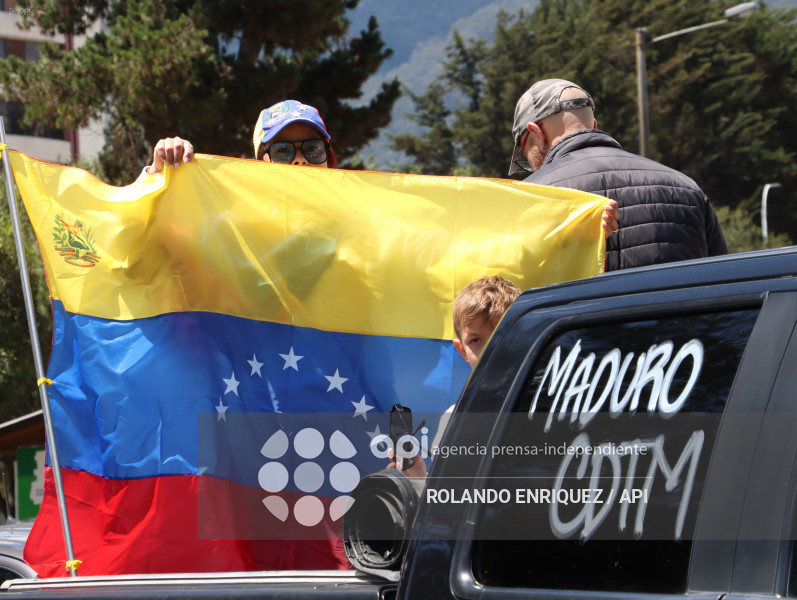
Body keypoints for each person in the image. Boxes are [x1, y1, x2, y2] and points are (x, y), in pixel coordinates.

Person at [508, 78, 728, 271]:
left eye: (526, 155)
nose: (531, 167)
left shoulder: (528, 199)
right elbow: (724, 284)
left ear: (537, 133)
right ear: (593, 125)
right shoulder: (685, 187)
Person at [388, 275, 522, 479]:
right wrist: (418, 479)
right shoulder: (453, 419)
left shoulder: (552, 403)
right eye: (476, 340)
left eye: (502, 336)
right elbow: (449, 501)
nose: (491, 350)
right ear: (462, 350)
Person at [144, 99, 337, 174]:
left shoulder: (354, 219)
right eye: (283, 150)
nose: (300, 160)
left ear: (329, 159)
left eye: (312, 149)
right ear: (260, 162)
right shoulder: (236, 221)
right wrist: (160, 172)